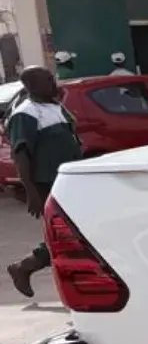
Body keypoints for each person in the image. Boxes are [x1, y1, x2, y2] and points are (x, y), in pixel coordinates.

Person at [5, 65, 84, 297]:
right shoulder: (26, 114)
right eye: (48, 80)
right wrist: (31, 191)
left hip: (68, 180)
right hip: (48, 184)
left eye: (53, 79)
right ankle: (25, 267)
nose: (54, 84)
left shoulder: (54, 107)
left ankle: (26, 266)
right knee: (69, 235)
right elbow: (21, 155)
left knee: (75, 234)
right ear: (32, 86)